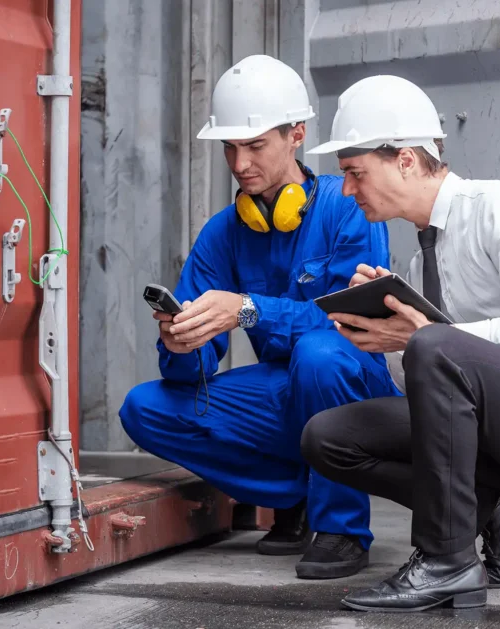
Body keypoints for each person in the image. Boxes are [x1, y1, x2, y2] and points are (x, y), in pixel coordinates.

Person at [300, 75, 500, 612]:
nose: (347, 190)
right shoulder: (420, 260)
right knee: (327, 438)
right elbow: (433, 389)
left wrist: (428, 335)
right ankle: (499, 509)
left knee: (434, 346)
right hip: (490, 432)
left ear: (404, 160)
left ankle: (447, 562)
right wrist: (389, 334)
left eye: (355, 172)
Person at [118, 55, 400, 580]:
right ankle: (293, 495)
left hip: (355, 383)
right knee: (145, 408)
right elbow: (191, 372)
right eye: (230, 147)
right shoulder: (223, 233)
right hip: (283, 389)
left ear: (297, 135)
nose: (239, 162)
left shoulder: (347, 205)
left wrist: (247, 310)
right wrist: (181, 344)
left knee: (318, 355)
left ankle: (340, 528)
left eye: (254, 145)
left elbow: (352, 324)